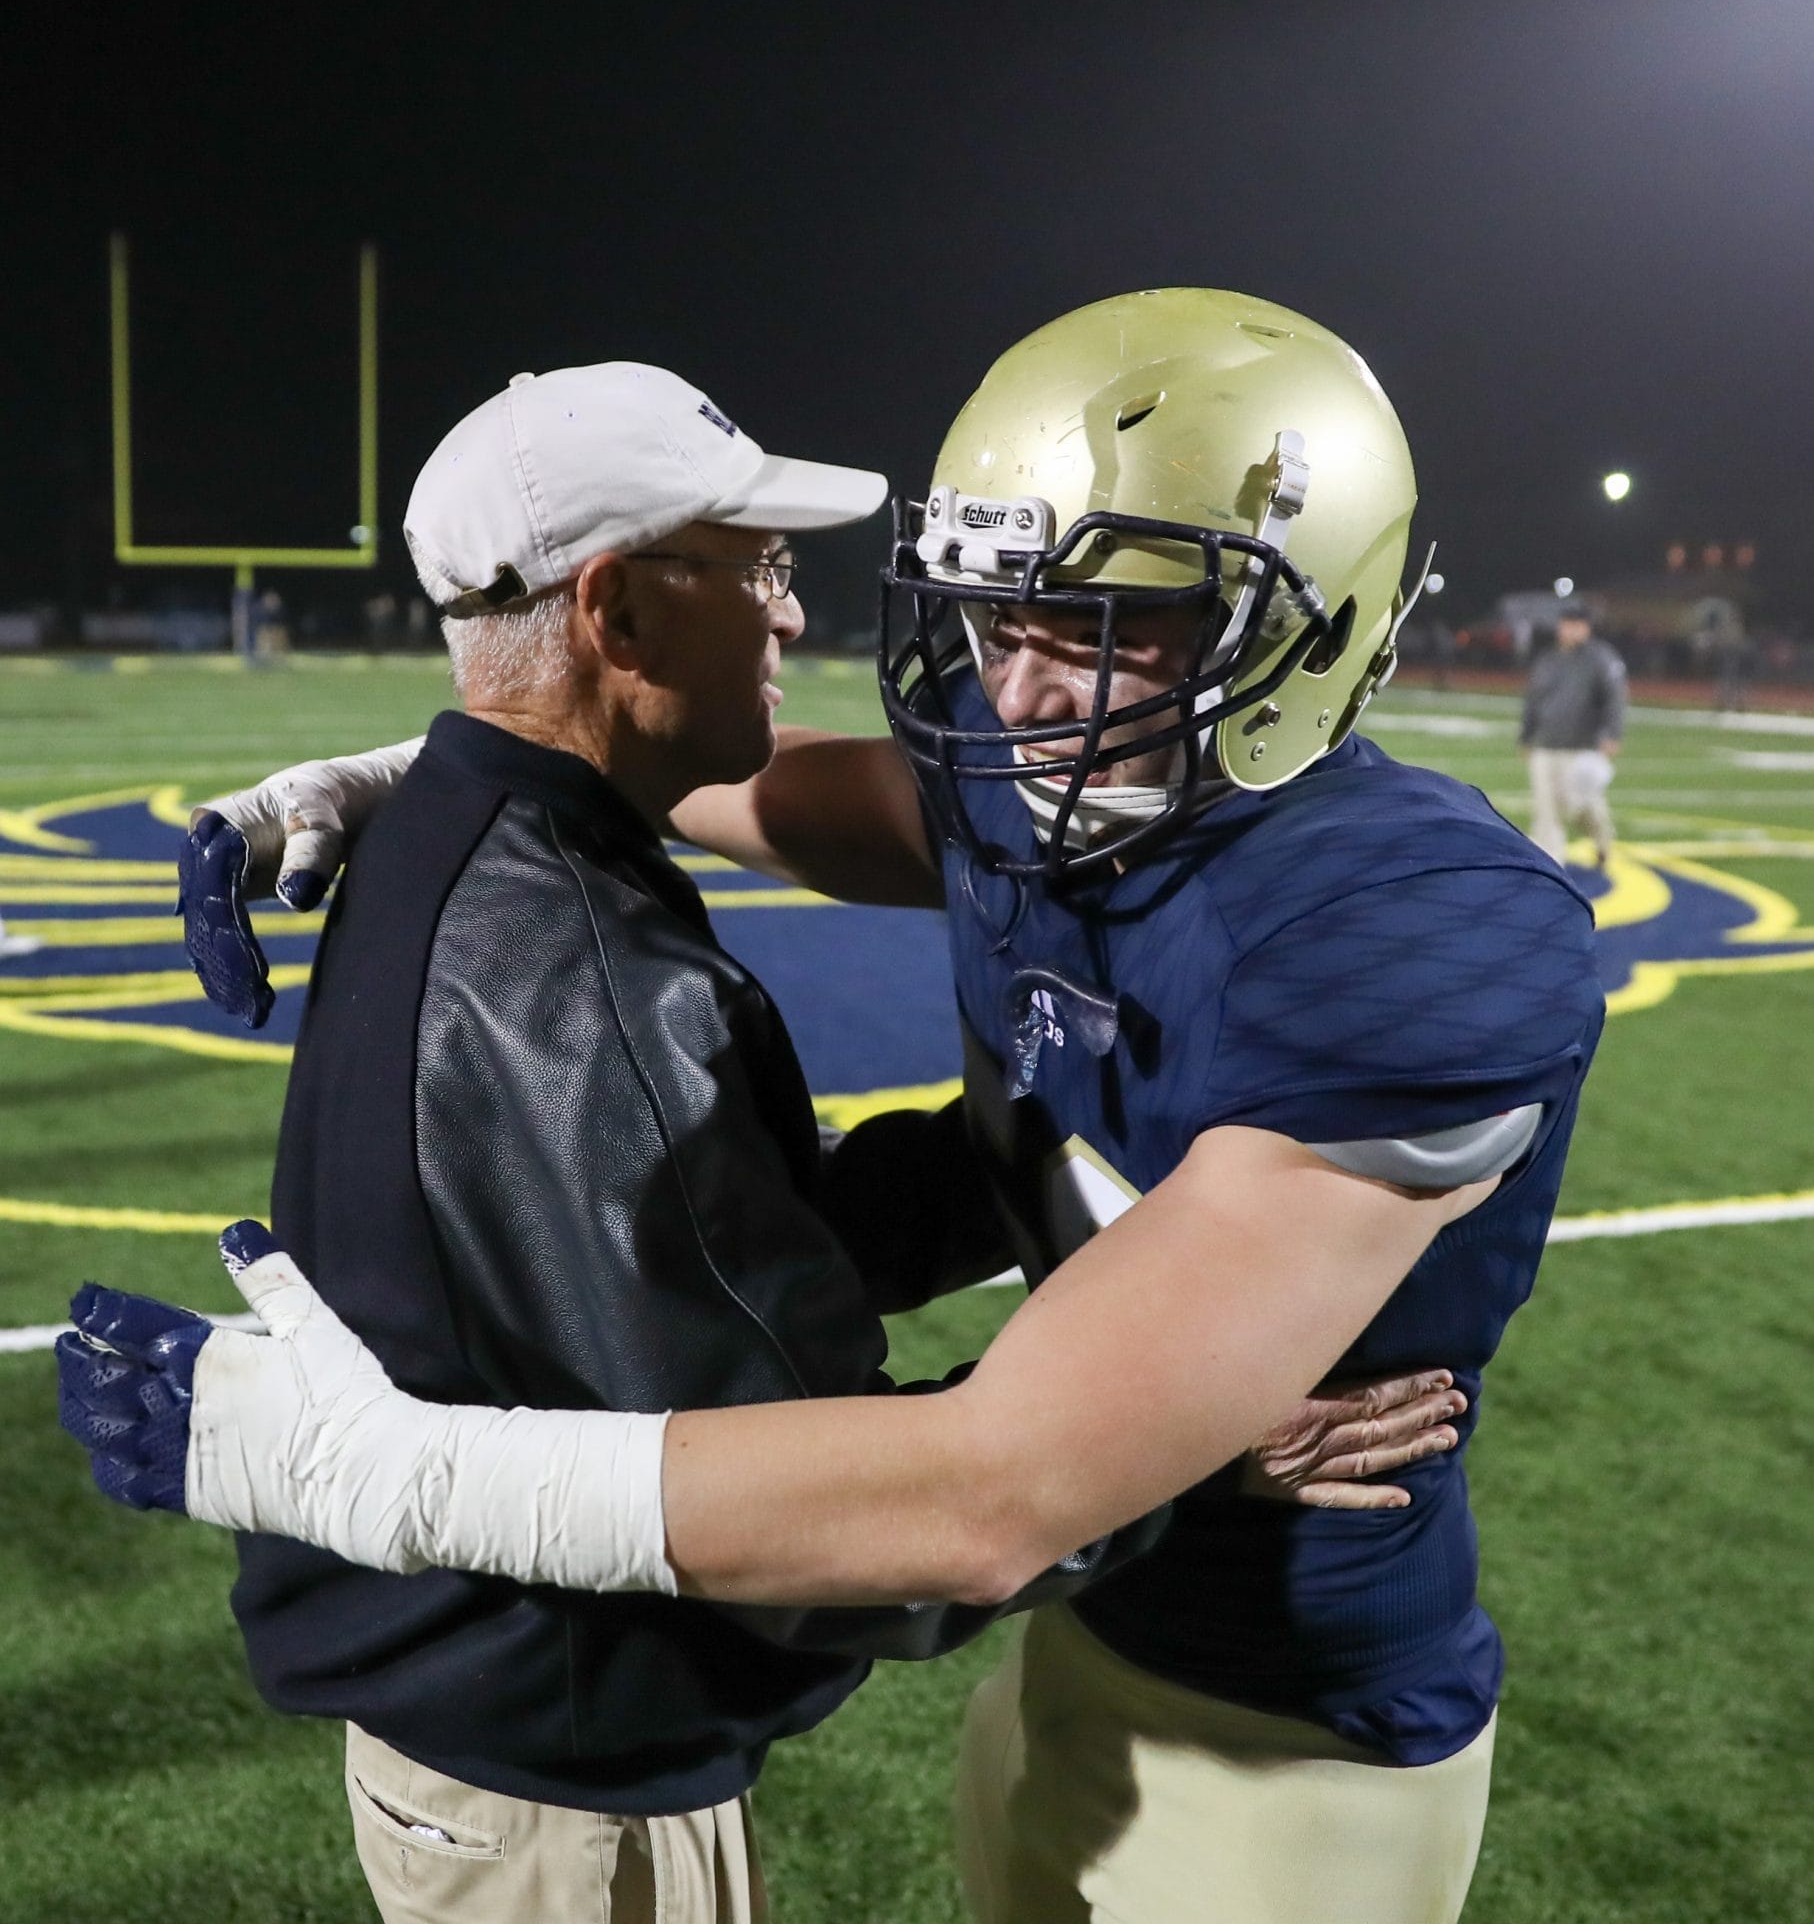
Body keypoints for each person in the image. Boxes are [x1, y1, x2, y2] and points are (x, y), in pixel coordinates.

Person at [64, 291, 1598, 1924]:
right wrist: (407, 774)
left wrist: (388, 1480)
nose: (1014, 694)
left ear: (1307, 625)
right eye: (997, 612)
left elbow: (990, 1499)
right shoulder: (1046, 793)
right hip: (1086, 1633)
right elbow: (683, 757)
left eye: (1101, 623)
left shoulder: (1412, 927)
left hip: (1288, 1719)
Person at [1519, 601, 1626, 869]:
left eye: (1577, 625)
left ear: (1587, 628)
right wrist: (1526, 735)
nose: (1570, 631)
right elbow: (1533, 700)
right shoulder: (1548, 659)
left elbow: (1615, 698)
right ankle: (1551, 864)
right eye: (1567, 624)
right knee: (1546, 809)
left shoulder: (1601, 658)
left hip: (1582, 746)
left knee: (1582, 807)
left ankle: (1602, 839)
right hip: (1546, 744)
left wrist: (1612, 733)